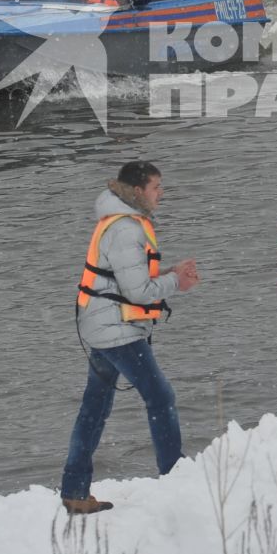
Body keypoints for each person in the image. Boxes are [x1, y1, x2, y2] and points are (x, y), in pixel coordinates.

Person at [60, 161, 200, 515]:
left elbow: (125, 280)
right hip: (115, 330)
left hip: (101, 325)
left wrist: (167, 274)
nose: (161, 194)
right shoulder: (126, 229)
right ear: (137, 191)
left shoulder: (118, 222)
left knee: (95, 407)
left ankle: (75, 489)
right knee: (160, 397)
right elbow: (137, 293)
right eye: (156, 187)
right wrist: (176, 283)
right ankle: (175, 476)